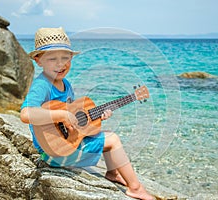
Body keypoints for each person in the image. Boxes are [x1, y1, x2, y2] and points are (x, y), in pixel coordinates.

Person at [20, 27, 154, 200]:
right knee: (112, 139)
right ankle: (135, 188)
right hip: (54, 154)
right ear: (39, 61)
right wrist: (61, 115)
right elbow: (25, 114)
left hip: (65, 146)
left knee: (100, 133)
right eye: (52, 59)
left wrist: (99, 116)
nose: (60, 64)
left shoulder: (66, 84)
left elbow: (75, 118)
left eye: (65, 58)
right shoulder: (42, 85)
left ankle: (113, 173)